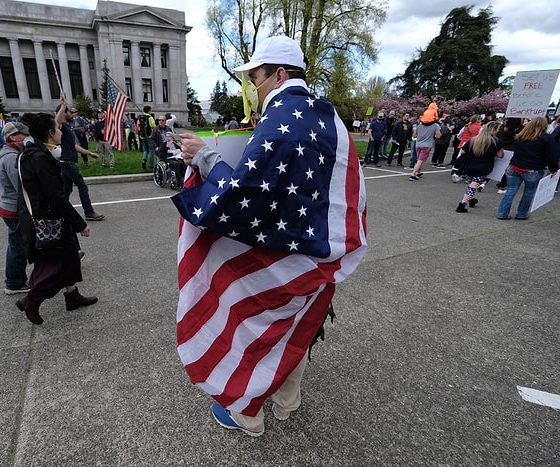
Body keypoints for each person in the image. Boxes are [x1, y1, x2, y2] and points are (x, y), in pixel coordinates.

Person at [171, 35, 367, 437]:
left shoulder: (282, 118)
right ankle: (287, 402)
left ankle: (247, 414)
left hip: (282, 254)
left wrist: (205, 158)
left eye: (256, 76)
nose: (253, 86)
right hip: (320, 251)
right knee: (299, 324)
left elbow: (245, 195)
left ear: (278, 74)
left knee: (256, 328)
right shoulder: (330, 118)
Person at [15, 112, 99, 325]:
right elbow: (55, 196)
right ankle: (31, 301)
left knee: (70, 259)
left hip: (47, 217)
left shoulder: (35, 152)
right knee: (57, 266)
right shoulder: (39, 158)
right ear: (50, 133)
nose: (61, 132)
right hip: (50, 219)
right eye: (58, 128)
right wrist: (79, 223)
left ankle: (72, 296)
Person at [0, 121, 31, 294]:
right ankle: (14, 282)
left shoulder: (10, 154)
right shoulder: (11, 158)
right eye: (24, 134)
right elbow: (21, 186)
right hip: (14, 209)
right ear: (13, 137)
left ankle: (15, 279)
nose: (27, 137)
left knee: (16, 245)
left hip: (10, 207)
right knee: (18, 246)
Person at [497, 117, 559, 220]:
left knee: (511, 190)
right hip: (533, 169)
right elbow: (551, 156)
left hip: (514, 167)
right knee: (529, 192)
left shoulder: (521, 136)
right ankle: (521, 213)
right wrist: (553, 168)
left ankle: (502, 213)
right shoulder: (546, 138)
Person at [54, 97, 105, 222]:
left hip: (67, 162)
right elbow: (56, 122)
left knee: (66, 190)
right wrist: (62, 106)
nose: (73, 114)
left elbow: (74, 146)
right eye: (70, 112)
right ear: (65, 113)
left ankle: (58, 211)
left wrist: (89, 153)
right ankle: (89, 212)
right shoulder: (60, 126)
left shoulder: (67, 127)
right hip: (68, 162)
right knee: (82, 187)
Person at [454, 121, 504, 212]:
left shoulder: (474, 139)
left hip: (469, 166)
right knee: (472, 186)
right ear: (493, 130)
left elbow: (462, 152)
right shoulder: (496, 142)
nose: (498, 131)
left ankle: (471, 200)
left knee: (471, 185)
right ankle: (462, 204)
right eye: (497, 129)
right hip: (484, 167)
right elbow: (501, 155)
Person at [408, 109, 441, 181]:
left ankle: (418, 172)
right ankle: (413, 174)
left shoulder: (420, 125)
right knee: (420, 160)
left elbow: (414, 135)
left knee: (419, 159)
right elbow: (438, 136)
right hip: (427, 145)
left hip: (418, 144)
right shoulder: (436, 125)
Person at [138, 105, 156, 169]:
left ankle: (144, 159)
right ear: (149, 111)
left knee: (145, 150)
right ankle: (151, 165)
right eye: (150, 110)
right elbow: (153, 126)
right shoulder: (150, 118)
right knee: (151, 150)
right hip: (149, 136)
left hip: (142, 136)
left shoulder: (140, 117)